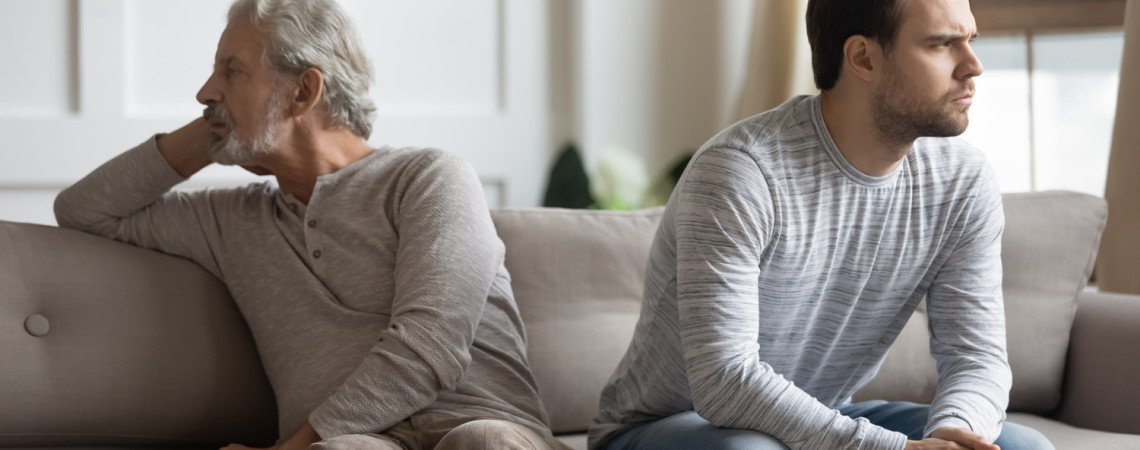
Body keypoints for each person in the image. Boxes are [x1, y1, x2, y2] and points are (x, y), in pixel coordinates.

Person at [53, 1, 566, 449]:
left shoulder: (428, 177)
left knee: (484, 442)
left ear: (303, 92)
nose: (205, 91)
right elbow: (83, 210)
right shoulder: (231, 222)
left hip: (479, 421)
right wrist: (215, 126)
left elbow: (432, 343)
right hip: (349, 442)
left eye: (231, 71)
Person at [588, 0, 1055, 449]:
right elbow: (724, 381)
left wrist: (955, 433)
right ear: (863, 58)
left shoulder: (962, 181)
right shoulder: (741, 172)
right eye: (942, 44)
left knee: (1022, 447)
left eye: (971, 39)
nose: (973, 65)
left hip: (818, 414)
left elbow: (977, 358)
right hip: (670, 426)